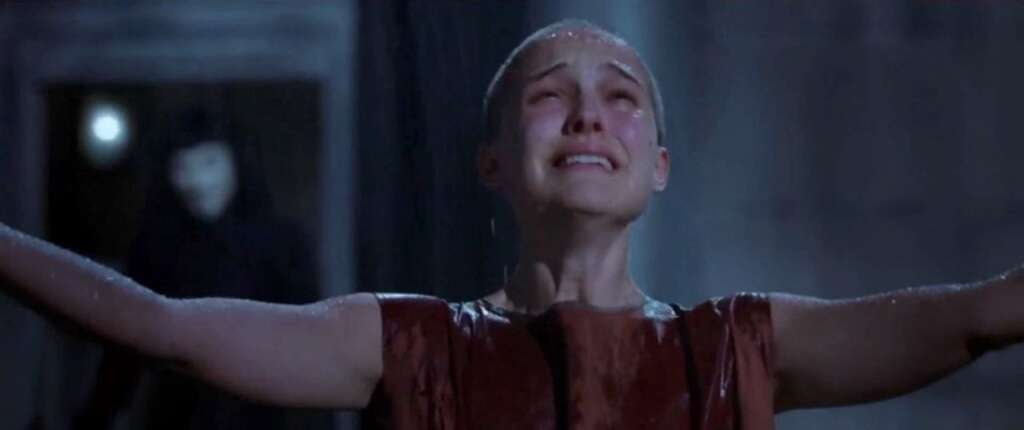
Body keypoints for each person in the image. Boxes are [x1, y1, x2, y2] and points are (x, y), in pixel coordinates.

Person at [1, 19, 1022, 430]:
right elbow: (164, 327)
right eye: (548, 94)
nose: (587, 113)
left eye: (621, 95)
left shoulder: (733, 349)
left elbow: (983, 315)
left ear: (660, 166)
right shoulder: (409, 347)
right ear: (491, 161)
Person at [72, 110, 332, 430]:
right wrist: (95, 417)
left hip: (261, 416)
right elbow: (125, 350)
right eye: (183, 167)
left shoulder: (283, 245)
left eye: (210, 163)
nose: (197, 181)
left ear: (236, 164)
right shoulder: (156, 247)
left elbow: (310, 345)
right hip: (178, 416)